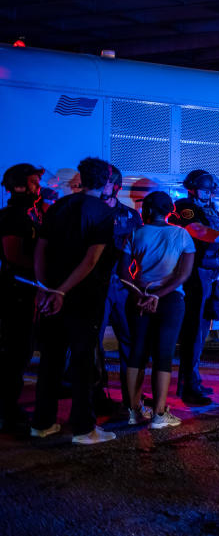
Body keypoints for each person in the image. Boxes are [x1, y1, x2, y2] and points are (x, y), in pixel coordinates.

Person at [31, 157, 117, 444]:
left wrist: (45, 288)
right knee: (82, 362)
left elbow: (40, 250)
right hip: (83, 297)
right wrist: (63, 291)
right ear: (106, 180)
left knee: (51, 360)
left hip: (52, 294)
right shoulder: (103, 212)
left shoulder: (58, 207)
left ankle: (42, 423)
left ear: (80, 178)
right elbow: (91, 260)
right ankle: (83, 429)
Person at [169, 169, 219, 406]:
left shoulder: (211, 210)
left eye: (210, 190)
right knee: (193, 332)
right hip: (195, 274)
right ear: (192, 188)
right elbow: (197, 231)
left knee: (201, 330)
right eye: (204, 189)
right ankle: (189, 387)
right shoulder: (185, 206)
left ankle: (193, 380)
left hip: (210, 273)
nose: (208, 194)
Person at [121, 191, 195, 428]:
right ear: (169, 211)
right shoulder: (182, 235)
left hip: (139, 297)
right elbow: (183, 275)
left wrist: (141, 295)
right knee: (163, 354)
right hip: (170, 299)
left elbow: (123, 273)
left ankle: (133, 410)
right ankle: (159, 414)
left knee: (137, 352)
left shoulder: (135, 233)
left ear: (148, 210)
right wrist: (158, 295)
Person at [0, 163, 44, 434]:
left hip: (24, 289)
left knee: (22, 349)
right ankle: (7, 409)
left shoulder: (26, 215)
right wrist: (42, 270)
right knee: (15, 351)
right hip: (15, 290)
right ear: (18, 186)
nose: (37, 188)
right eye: (32, 183)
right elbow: (13, 255)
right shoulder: (13, 217)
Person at [96, 165, 143, 412]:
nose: (101, 186)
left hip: (122, 284)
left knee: (130, 340)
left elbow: (139, 248)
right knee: (95, 341)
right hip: (95, 283)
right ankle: (97, 394)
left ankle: (131, 396)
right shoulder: (90, 210)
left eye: (105, 182)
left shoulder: (130, 216)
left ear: (116, 186)